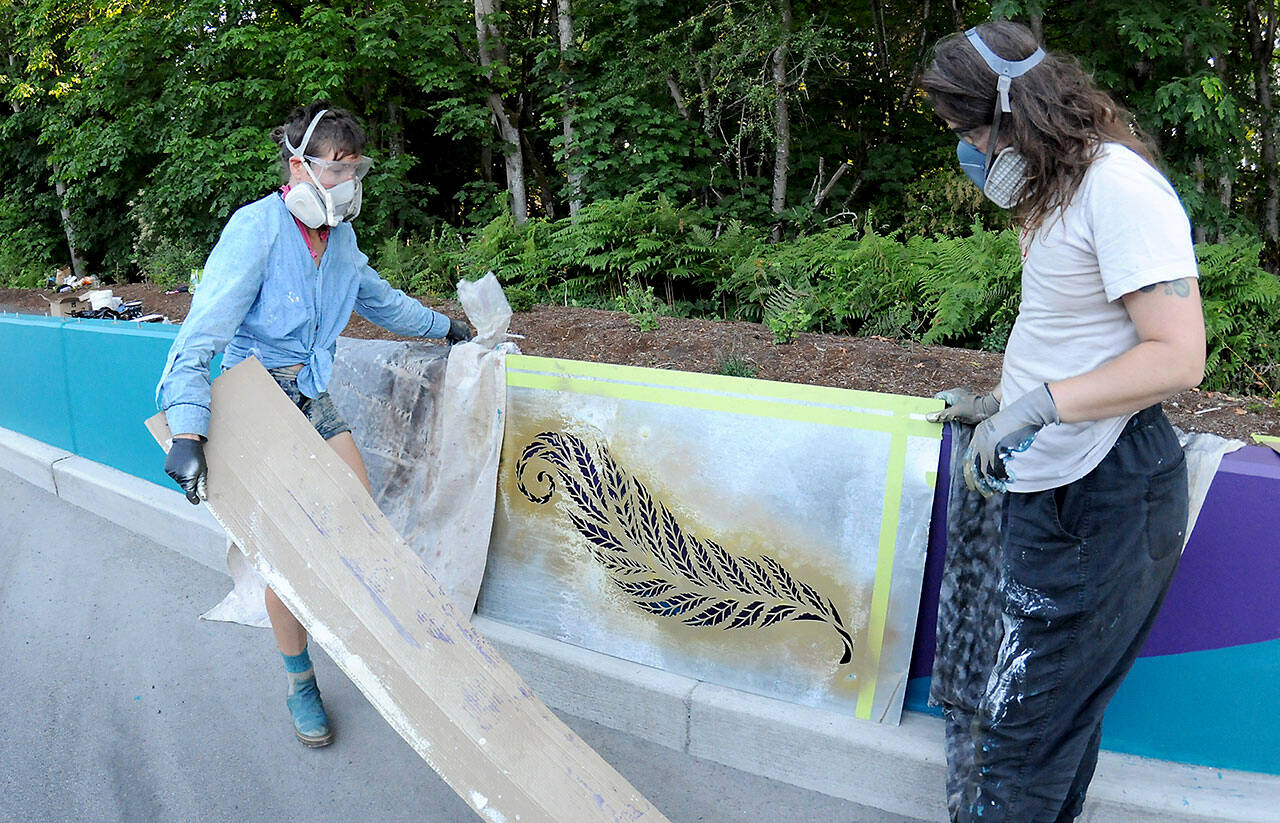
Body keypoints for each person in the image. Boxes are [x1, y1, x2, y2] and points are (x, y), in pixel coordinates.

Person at [919, 22, 1205, 823]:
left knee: (1022, 741)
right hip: (1059, 488)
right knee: (1046, 731)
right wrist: (1005, 401)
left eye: (970, 132)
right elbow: (1074, 329)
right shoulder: (1061, 187)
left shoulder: (1118, 187)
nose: (968, 152)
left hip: (1105, 493)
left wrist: (1041, 407)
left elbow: (1179, 356)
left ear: (1014, 112)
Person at [156, 101, 472, 748]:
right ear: (297, 165)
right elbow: (199, 334)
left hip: (310, 392)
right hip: (256, 402)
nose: (347, 184)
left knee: (356, 524)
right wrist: (188, 430)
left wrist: (447, 328)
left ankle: (372, 643)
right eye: (335, 169)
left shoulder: (342, 239)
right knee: (289, 565)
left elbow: (380, 299)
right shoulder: (256, 230)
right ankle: (301, 681)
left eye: (355, 170)